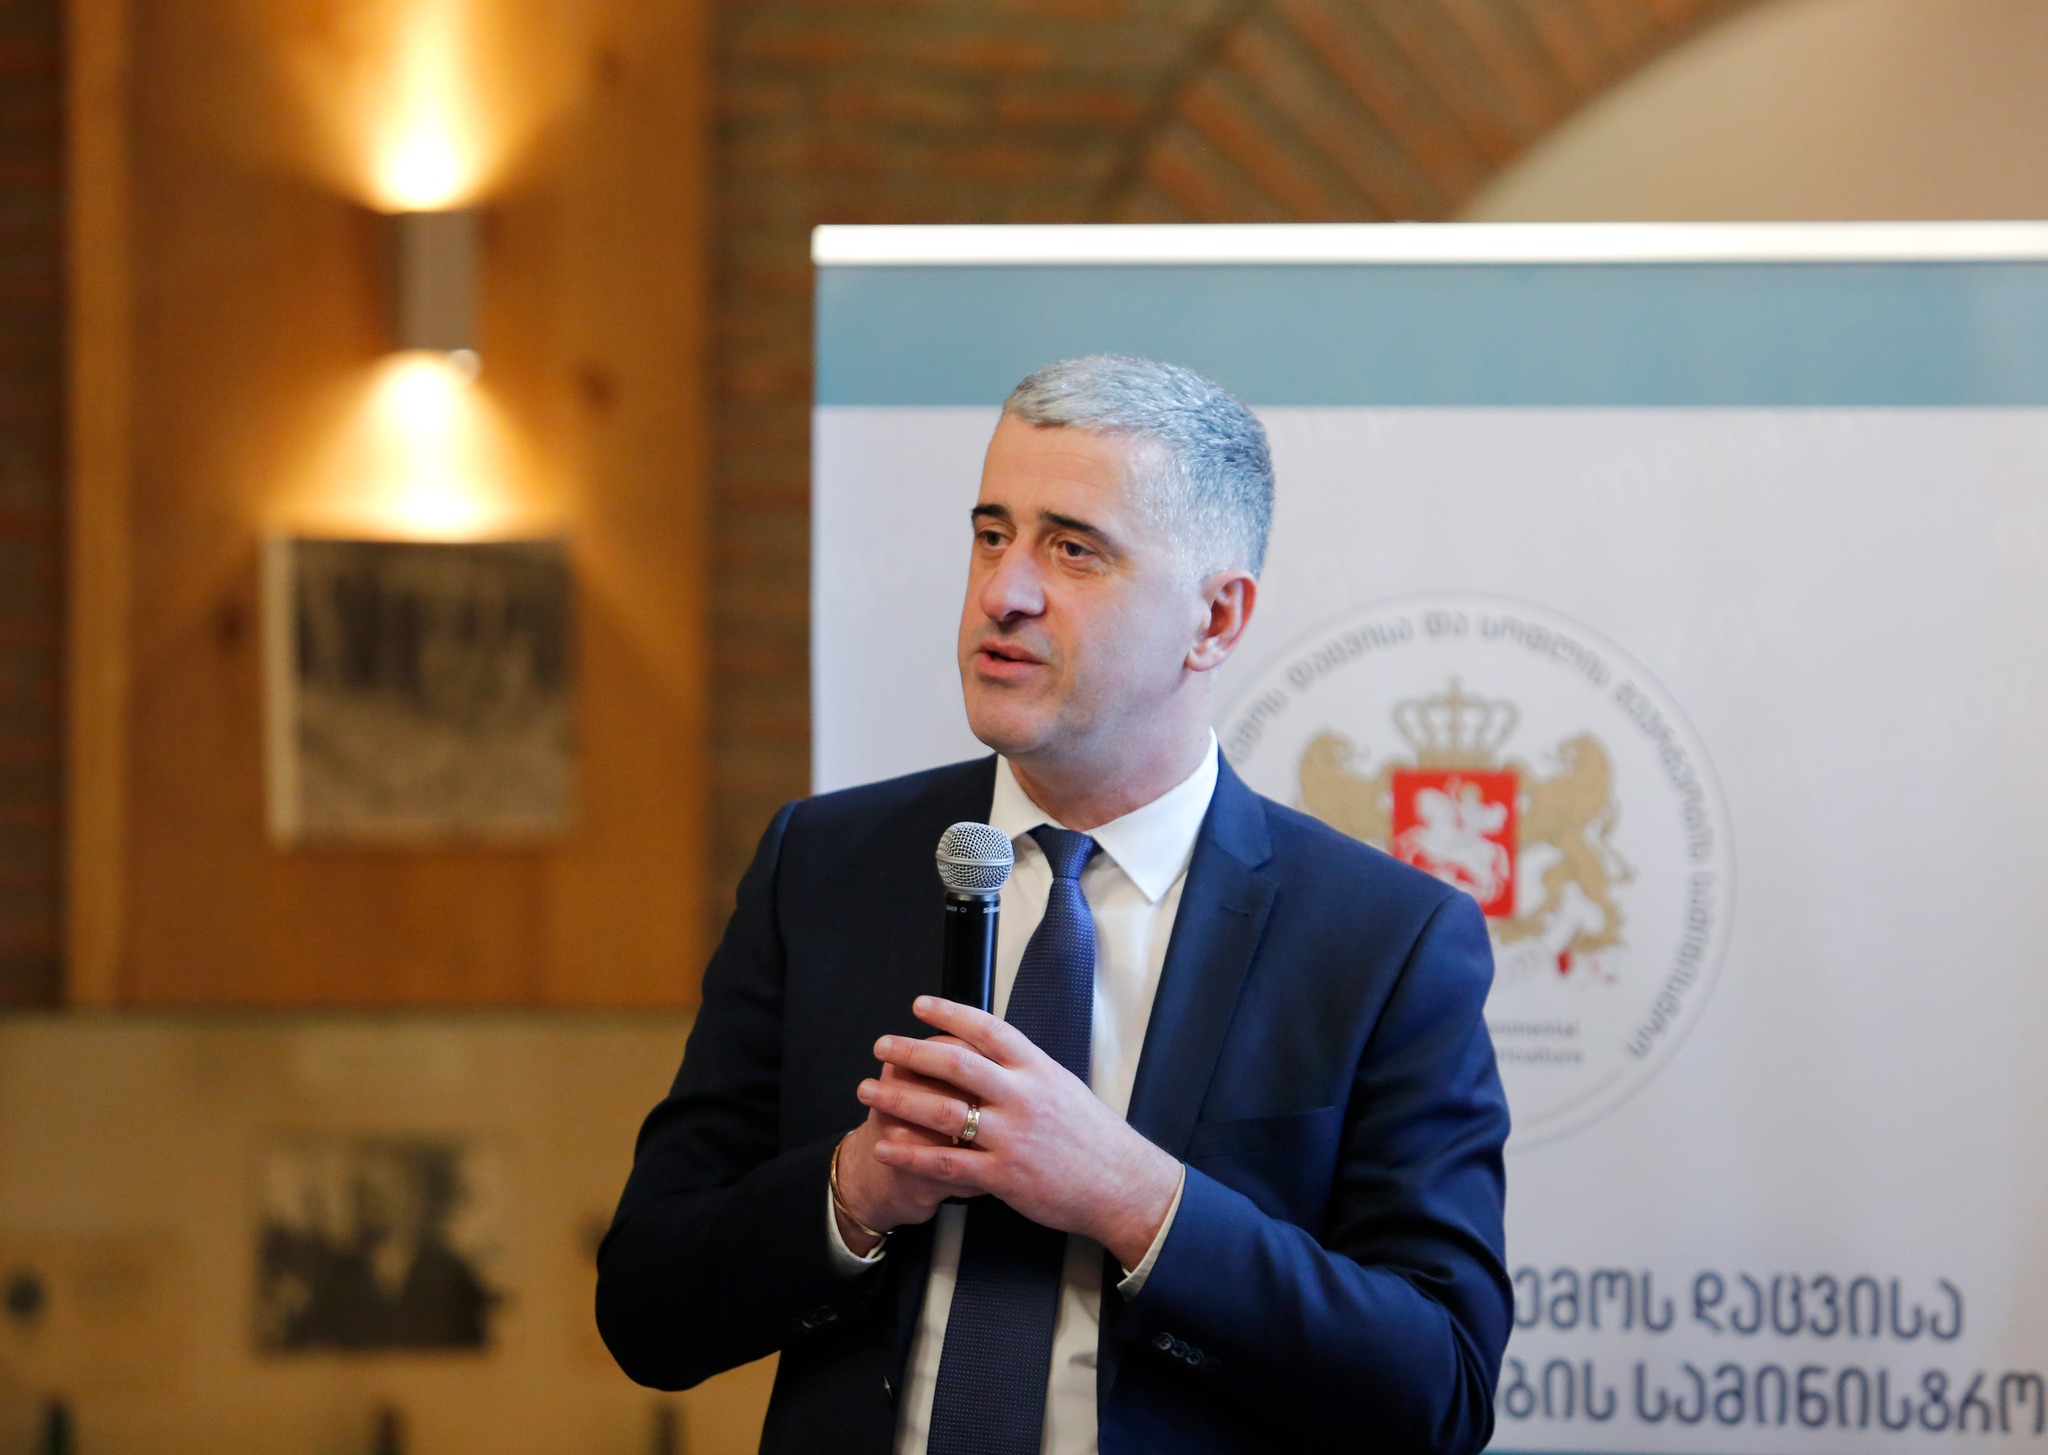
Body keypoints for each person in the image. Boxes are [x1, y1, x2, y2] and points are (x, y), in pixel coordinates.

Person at [597, 356, 1510, 1454]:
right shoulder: (822, 867)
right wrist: (853, 1190)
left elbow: (1439, 1388)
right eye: (992, 535)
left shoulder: (1382, 941)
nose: (1005, 591)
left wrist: (1131, 1197)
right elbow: (645, 1309)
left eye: (1073, 549)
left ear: (1215, 619)